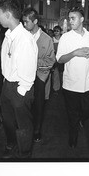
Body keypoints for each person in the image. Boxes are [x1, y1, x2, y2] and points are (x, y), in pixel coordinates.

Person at [0, 0, 38, 158]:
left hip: (20, 87)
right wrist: (5, 83)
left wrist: (20, 92)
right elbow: (7, 61)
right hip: (8, 85)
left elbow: (28, 70)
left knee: (23, 125)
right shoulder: (8, 35)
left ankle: (24, 153)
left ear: (8, 15)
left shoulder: (25, 39)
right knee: (7, 120)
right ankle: (11, 143)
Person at [56, 7, 89, 148]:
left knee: (88, 109)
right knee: (72, 113)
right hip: (71, 83)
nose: (70, 21)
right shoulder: (65, 37)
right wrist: (74, 53)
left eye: (73, 18)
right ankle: (73, 137)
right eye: (69, 18)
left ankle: (81, 119)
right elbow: (60, 59)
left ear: (82, 19)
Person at [22, 7, 55, 143]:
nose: (24, 25)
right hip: (23, 77)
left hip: (40, 78)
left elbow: (50, 61)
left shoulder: (46, 39)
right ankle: (27, 129)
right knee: (24, 105)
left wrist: (32, 61)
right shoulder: (22, 37)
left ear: (35, 21)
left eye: (26, 22)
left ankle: (36, 130)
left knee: (38, 106)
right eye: (23, 22)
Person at [51, 25, 63, 93]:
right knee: (55, 74)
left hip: (61, 58)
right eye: (55, 31)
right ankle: (56, 88)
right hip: (54, 58)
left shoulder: (63, 39)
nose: (56, 32)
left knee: (62, 73)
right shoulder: (51, 39)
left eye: (57, 31)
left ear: (60, 32)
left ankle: (63, 87)